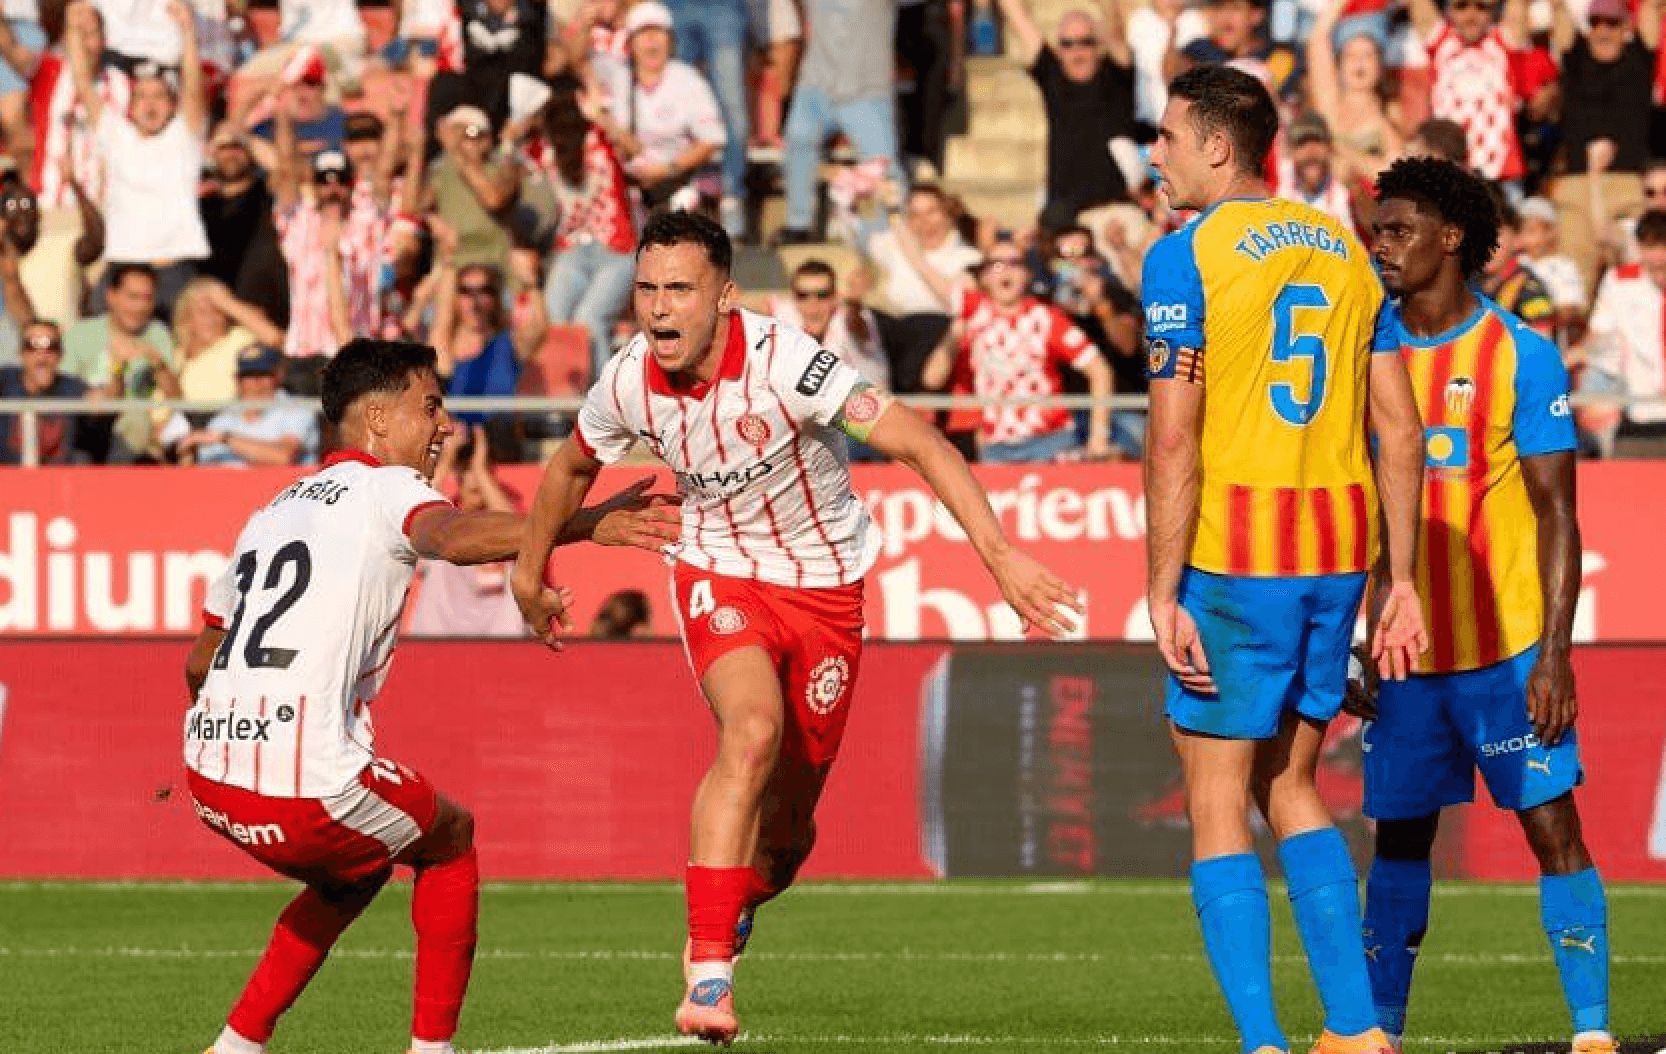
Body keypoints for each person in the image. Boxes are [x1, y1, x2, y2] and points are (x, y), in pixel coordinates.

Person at [511, 210, 1083, 1044]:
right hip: (717, 567)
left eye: (680, 289)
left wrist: (998, 557)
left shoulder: (791, 364)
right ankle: (708, 974)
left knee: (784, 839)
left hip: (824, 584)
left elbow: (922, 443)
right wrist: (530, 572)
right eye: (646, 289)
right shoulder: (629, 378)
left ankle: (740, 900)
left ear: (727, 296)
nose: (660, 309)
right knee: (750, 731)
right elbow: (570, 467)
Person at [181, 336, 679, 1054]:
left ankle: (236, 1044)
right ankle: (432, 1051)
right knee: (451, 840)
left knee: (351, 878)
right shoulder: (387, 487)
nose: (445, 425)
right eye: (432, 406)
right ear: (378, 421)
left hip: (208, 776)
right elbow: (451, 535)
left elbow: (200, 664)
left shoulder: (270, 513)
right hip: (305, 783)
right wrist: (583, 523)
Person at [1140, 65, 1426, 1054]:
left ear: (1218, 145)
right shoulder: (1346, 252)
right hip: (1334, 554)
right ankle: (1353, 1028)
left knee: (1215, 797)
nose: (1158, 154)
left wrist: (1160, 585)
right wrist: (1400, 580)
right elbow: (1400, 429)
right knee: (1292, 784)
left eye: (1170, 136)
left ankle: (1262, 1041)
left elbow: (1174, 439)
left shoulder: (1187, 256)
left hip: (1235, 555)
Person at [1359, 156, 1613, 1054]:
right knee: (1398, 844)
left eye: (1398, 230)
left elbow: (1558, 514)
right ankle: (1380, 1035)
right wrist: (1361, 634)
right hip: (1407, 657)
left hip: (1506, 650)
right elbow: (1355, 502)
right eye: (1375, 228)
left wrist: (1555, 652)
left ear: (1452, 237)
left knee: (1553, 829)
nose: (1379, 243)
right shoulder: (1364, 346)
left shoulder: (1518, 352)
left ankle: (1591, 1032)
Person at [918, 235, 1116, 462]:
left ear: (1027, 274)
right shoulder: (973, 313)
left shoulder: (1046, 317)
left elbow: (1099, 368)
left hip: (1051, 442)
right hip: (996, 448)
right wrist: (894, 214)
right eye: (995, 265)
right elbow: (931, 378)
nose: (1005, 272)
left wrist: (1099, 437)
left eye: (1014, 263)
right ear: (983, 277)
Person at [72, 0, 209, 317]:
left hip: (171, 269)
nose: (150, 105)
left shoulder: (184, 138)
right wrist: (74, 30)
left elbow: (193, 86)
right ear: (130, 106)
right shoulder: (117, 136)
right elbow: (82, 79)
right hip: (123, 266)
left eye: (159, 96)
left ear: (171, 105)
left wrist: (187, 32)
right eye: (142, 96)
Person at [524, 75, 638, 377]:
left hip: (616, 250)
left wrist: (601, 116)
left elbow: (634, 150)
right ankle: (561, 404)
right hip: (571, 252)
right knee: (555, 319)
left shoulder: (600, 139)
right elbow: (510, 155)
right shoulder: (544, 152)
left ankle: (605, 408)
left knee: (590, 319)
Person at [1548, 0, 1659, 290]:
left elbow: (1651, 9)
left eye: (1612, 24)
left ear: (1626, 28)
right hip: (1578, 186)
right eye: (1596, 23)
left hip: (1626, 187)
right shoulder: (1575, 58)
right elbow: (1558, 10)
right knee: (1573, 281)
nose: (1603, 31)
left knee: (1634, 277)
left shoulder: (1640, 57)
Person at [992, 0, 1137, 220]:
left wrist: (1107, 22)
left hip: (1113, 208)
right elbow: (1017, 17)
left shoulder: (1116, 76)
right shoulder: (1052, 75)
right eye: (1067, 44)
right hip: (1064, 211)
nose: (1076, 51)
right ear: (1059, 49)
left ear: (1098, 44)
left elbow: (1119, 37)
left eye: (1085, 42)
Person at [775, 0, 902, 243]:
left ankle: (885, 231)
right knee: (798, 140)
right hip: (814, 86)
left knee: (885, 165)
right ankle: (798, 224)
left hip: (866, 92)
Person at [1405, 0, 1528, 188]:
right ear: (1448, 9)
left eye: (1481, 6)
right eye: (1461, 5)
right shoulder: (1440, 41)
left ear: (1493, 11)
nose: (1471, 15)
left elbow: (1518, 9)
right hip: (1446, 169)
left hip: (1499, 172)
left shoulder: (1503, 42)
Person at [1575, 209, 1666, 457]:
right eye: (1650, 246)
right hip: (1638, 416)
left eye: (1662, 245)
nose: (1658, 256)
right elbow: (1598, 337)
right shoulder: (1620, 283)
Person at [200, 124, 291, 329]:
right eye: (224, 148)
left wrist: (244, 136)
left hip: (266, 315)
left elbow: (285, 170)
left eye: (238, 148)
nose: (231, 154)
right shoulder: (202, 206)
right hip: (216, 318)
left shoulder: (266, 196)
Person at [174, 344, 320, 466]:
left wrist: (225, 438)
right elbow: (208, 465)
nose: (256, 382)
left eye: (263, 374)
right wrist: (187, 455)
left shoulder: (297, 410)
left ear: (278, 376)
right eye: (248, 375)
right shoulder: (224, 418)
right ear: (238, 380)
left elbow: (283, 457)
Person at [1305, 0, 1401, 183]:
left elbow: (1394, 172)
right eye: (1351, 55)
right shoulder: (1329, 101)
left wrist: (1341, 150)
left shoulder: (1389, 114)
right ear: (1339, 64)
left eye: (1368, 55)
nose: (1359, 63)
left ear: (1380, 65)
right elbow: (1318, 39)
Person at [0, 319, 88, 464]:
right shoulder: (5, 381)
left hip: (58, 482)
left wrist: (117, 371)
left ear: (61, 355)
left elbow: (104, 396)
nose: (42, 357)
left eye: (51, 347)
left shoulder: (72, 387)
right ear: (21, 354)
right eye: (32, 346)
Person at [1482, 197, 1557, 340]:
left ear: (1517, 240)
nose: (1485, 243)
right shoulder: (1469, 284)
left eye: (1495, 235)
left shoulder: (1529, 290)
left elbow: (1540, 347)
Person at [1275, 112, 1360, 237]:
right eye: (1302, 143)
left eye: (1317, 141)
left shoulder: (1344, 192)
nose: (1311, 150)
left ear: (1330, 147)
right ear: (1291, 150)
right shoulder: (1279, 181)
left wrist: (1355, 189)